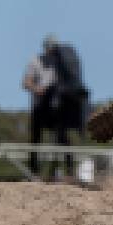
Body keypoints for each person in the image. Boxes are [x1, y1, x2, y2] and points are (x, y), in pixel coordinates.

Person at [23, 34, 89, 176]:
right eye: (50, 48)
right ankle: (33, 172)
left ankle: (68, 170)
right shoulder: (36, 61)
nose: (52, 51)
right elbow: (26, 82)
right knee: (35, 139)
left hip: (56, 106)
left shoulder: (61, 63)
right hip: (40, 106)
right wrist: (37, 89)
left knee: (62, 136)